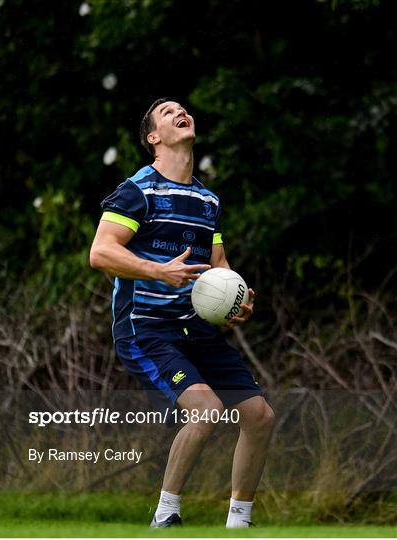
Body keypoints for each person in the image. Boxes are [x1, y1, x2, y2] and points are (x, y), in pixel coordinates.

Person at [89, 98, 275, 528]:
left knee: (260, 416)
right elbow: (101, 252)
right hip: (146, 329)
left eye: (182, 108)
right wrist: (158, 271)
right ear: (154, 138)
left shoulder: (206, 201)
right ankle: (166, 514)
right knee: (205, 410)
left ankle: (239, 523)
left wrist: (235, 299)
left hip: (194, 328)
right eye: (166, 111)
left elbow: (218, 263)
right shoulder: (138, 191)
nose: (180, 111)